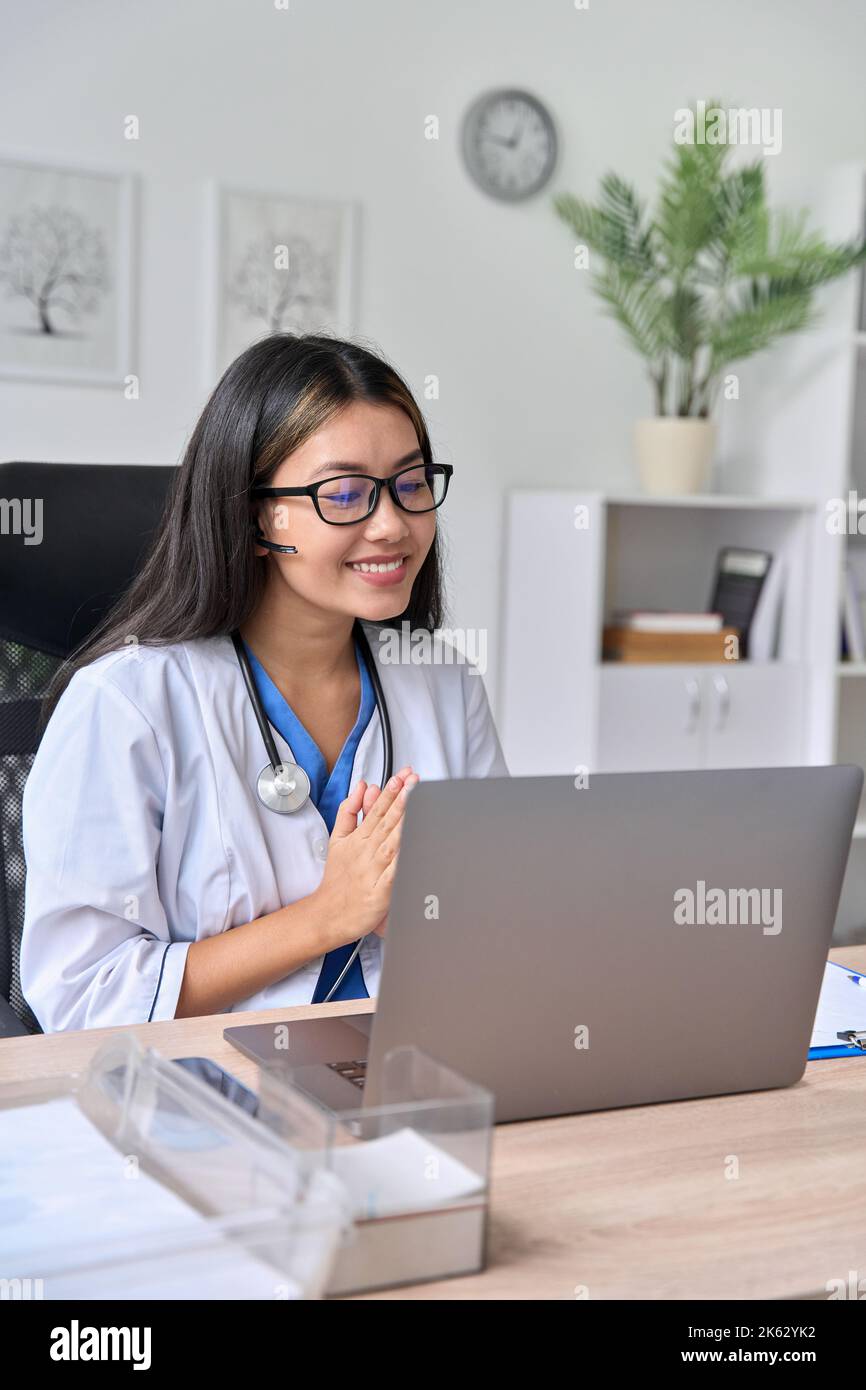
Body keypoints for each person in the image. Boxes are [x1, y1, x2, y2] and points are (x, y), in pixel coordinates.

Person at [20, 332, 508, 1031]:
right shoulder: (126, 704)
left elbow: (501, 927)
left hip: (415, 1063)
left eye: (410, 483)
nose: (393, 524)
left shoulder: (444, 686)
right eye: (345, 494)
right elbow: (83, 996)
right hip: (197, 1098)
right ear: (254, 519)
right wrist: (327, 918)